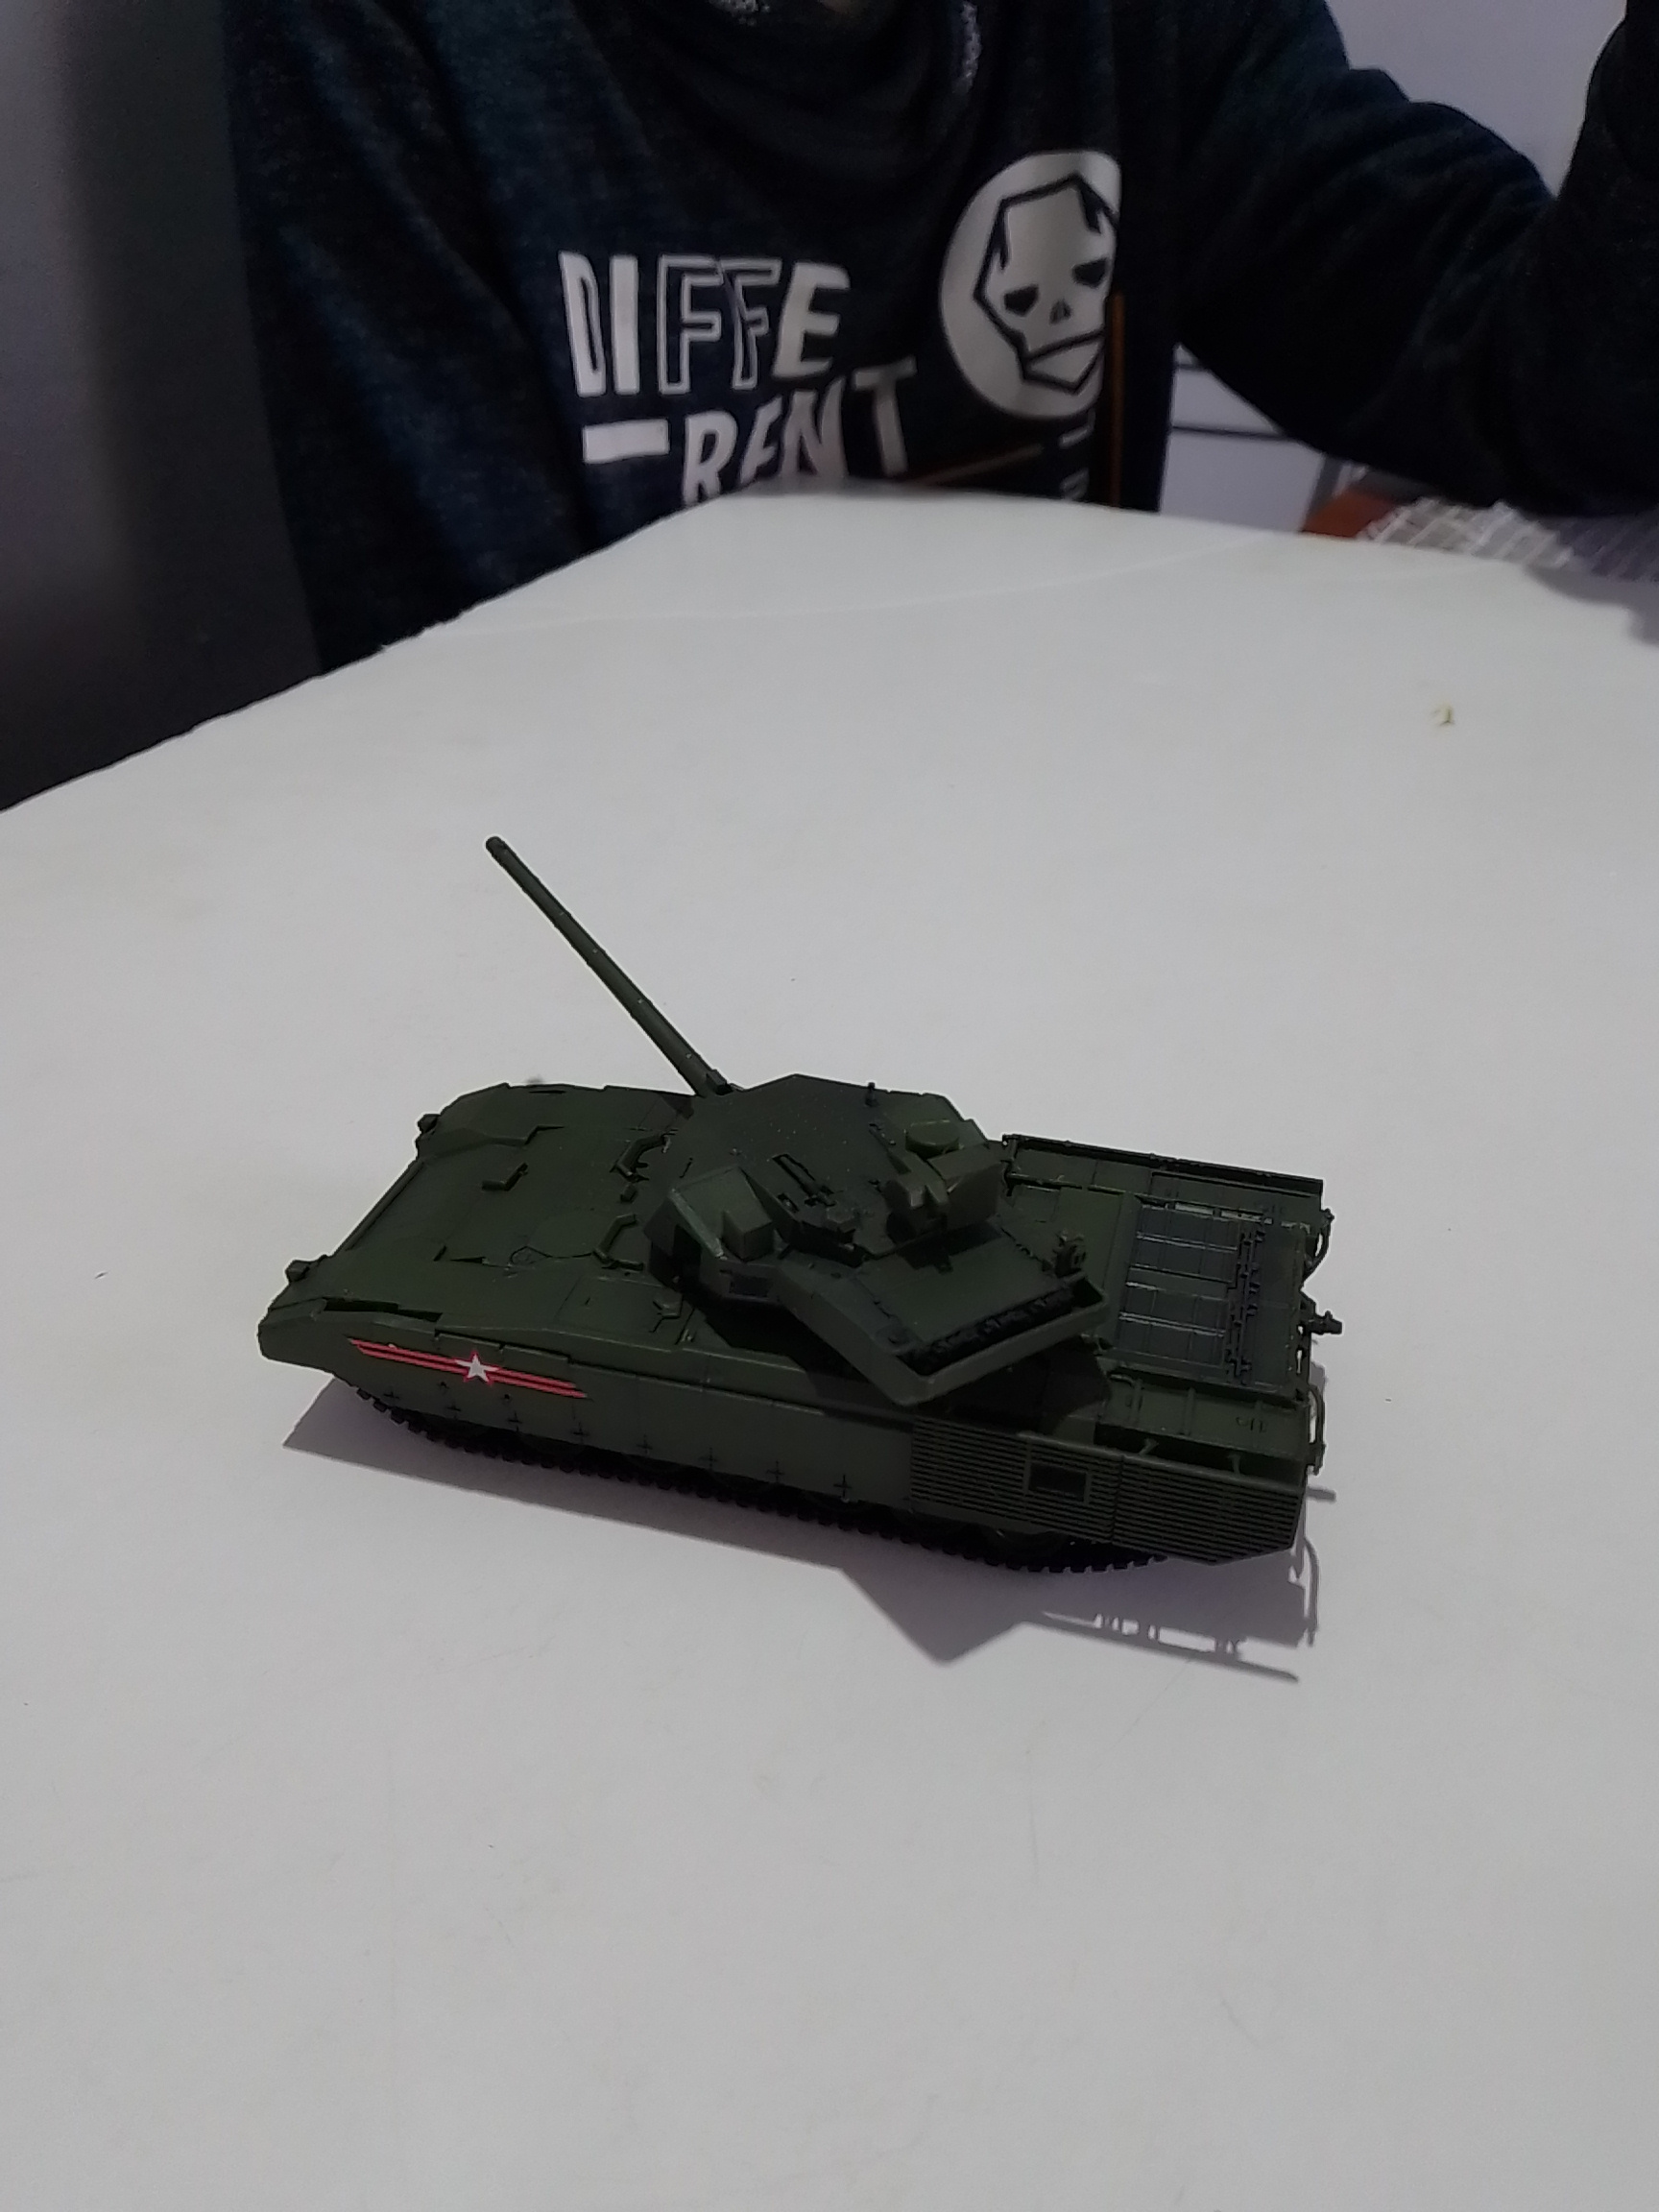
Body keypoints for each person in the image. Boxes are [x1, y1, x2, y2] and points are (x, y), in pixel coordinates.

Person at [227, 0, 1659, 669]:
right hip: (654, 1002)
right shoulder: (403, 39)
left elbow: (1530, 383)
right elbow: (468, 718)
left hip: (1057, 905)